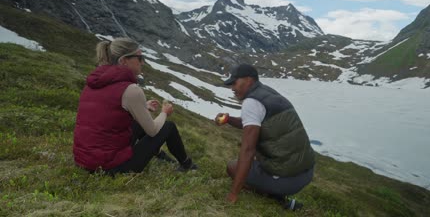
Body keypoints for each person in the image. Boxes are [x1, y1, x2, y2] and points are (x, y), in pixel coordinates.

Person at [73, 37, 197, 175]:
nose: (142, 62)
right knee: (168, 126)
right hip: (111, 168)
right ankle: (187, 165)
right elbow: (152, 131)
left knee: (137, 124)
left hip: (83, 162)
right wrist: (164, 113)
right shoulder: (131, 90)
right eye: (139, 58)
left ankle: (161, 157)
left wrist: (142, 106)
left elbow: (108, 111)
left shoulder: (92, 84)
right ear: (124, 61)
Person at [215, 64, 315, 210]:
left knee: (232, 167)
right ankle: (278, 192)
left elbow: (247, 150)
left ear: (248, 80)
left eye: (234, 83)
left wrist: (233, 194)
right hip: (306, 171)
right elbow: (252, 122)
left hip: (289, 179)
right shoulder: (267, 92)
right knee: (258, 155)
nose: (232, 88)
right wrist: (229, 120)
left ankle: (277, 198)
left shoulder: (251, 102)